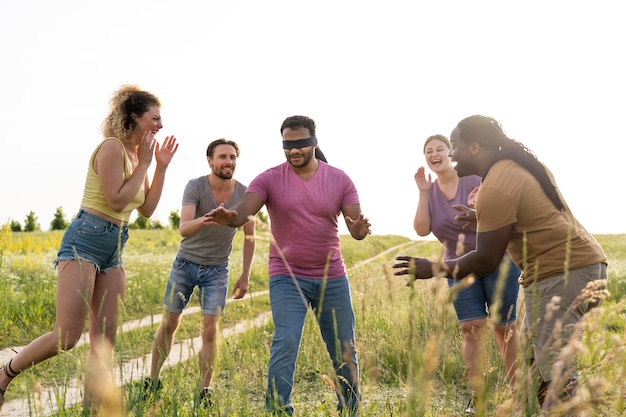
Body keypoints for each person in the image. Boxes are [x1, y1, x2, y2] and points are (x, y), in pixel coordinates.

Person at [394, 115, 607, 411]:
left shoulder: (496, 186)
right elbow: (526, 213)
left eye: (454, 146)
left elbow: (485, 260)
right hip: (569, 270)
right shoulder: (517, 168)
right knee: (536, 369)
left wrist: (433, 268)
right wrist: (481, 215)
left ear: (474, 148)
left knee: (555, 372)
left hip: (562, 274)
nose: (451, 154)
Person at [0, 85, 178, 413]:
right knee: (67, 337)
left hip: (116, 246)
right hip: (85, 240)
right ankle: (5, 374)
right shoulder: (112, 148)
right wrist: (145, 165)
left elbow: (148, 209)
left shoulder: (142, 156)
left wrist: (161, 167)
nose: (161, 125)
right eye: (155, 118)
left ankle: (90, 411)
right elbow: (116, 199)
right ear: (134, 117)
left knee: (104, 344)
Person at [207, 115, 371, 416]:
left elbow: (356, 228)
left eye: (300, 144)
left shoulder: (339, 179)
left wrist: (360, 229)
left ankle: (349, 409)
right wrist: (230, 217)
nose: (294, 150)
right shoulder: (269, 179)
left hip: (331, 276)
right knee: (286, 342)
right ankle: (278, 410)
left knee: (344, 347)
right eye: (288, 145)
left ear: (314, 142)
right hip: (286, 276)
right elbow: (243, 211)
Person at [413, 134, 521, 414]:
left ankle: (519, 393)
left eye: (439, 149)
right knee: (471, 329)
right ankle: (479, 399)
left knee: (503, 328)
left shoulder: (474, 179)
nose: (434, 154)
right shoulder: (431, 191)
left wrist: (478, 208)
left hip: (497, 259)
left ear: (451, 153)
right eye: (428, 151)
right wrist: (423, 192)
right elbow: (422, 229)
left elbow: (499, 210)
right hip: (458, 266)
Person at [144, 139, 256, 406]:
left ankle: (205, 391)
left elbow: (250, 237)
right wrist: (208, 219)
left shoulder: (245, 194)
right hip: (186, 264)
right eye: (222, 157)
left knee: (209, 330)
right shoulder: (195, 186)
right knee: (170, 324)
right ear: (210, 160)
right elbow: (184, 228)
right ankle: (152, 380)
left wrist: (245, 275)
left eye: (232, 157)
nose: (228, 162)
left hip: (218, 270)